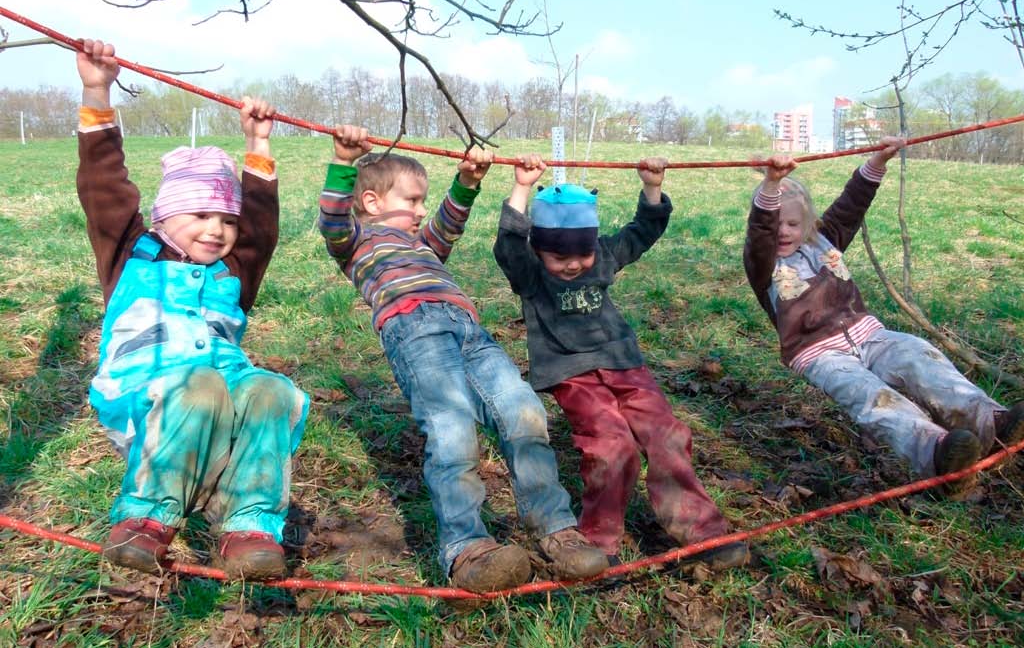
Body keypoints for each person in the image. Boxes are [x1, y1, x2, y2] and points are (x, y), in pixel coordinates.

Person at [318, 128, 610, 593]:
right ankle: (466, 547)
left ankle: (555, 528)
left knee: (524, 410)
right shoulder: (357, 243)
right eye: (412, 201)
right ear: (372, 202)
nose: (420, 212)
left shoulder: (423, 245)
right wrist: (343, 163)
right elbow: (332, 219)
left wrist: (468, 181)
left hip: (468, 328)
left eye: (423, 202)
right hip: (416, 331)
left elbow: (447, 225)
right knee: (452, 431)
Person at [76, 39, 309, 580]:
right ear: (163, 217)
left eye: (226, 221)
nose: (217, 230)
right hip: (146, 395)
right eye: (201, 215)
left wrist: (259, 144)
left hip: (222, 396)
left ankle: (249, 525)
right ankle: (145, 520)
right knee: (199, 382)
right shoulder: (131, 253)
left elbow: (261, 228)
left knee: (272, 388)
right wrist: (96, 91)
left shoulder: (231, 272)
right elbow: (104, 188)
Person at [493, 155, 749, 571]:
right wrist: (522, 188)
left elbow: (643, 231)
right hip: (572, 373)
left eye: (582, 255)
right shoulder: (531, 272)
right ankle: (598, 537)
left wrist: (651, 188)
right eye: (560, 258)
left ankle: (702, 532)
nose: (573, 264)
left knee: (666, 434)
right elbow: (508, 246)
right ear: (539, 250)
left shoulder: (603, 254)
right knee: (612, 445)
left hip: (624, 363)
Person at [743, 139, 1024, 495]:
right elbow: (759, 233)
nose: (783, 231)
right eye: (777, 224)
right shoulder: (764, 264)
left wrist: (878, 161)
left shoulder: (825, 240)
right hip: (820, 355)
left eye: (793, 223)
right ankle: (936, 452)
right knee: (873, 398)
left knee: (919, 356)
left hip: (870, 335)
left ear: (809, 224)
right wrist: (770, 185)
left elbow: (851, 205)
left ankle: (991, 422)